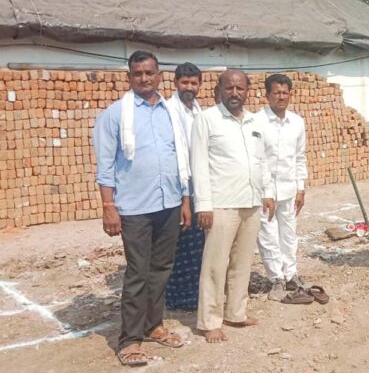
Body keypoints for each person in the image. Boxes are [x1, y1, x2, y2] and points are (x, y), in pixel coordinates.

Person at [94, 50, 192, 366]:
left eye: (149, 73)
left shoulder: (172, 113)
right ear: (129, 77)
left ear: (159, 76)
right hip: (134, 207)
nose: (144, 78)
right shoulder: (115, 115)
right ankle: (130, 340)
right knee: (138, 272)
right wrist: (108, 206)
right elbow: (105, 166)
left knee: (161, 269)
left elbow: (181, 158)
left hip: (169, 203)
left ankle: (154, 326)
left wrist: (185, 200)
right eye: (137, 73)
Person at [191, 70, 276, 343]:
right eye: (229, 88)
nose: (235, 93)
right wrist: (203, 205)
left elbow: (263, 161)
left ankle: (236, 313)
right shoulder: (207, 119)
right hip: (221, 204)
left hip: (251, 203)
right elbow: (198, 165)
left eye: (240, 88)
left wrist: (268, 193)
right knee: (215, 265)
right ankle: (209, 321)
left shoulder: (255, 121)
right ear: (220, 89)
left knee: (242, 263)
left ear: (248, 90)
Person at [253, 74, 309, 301]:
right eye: (276, 93)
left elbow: (299, 157)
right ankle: (276, 277)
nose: (281, 97)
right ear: (267, 95)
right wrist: (267, 192)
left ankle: (291, 274)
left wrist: (300, 188)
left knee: (289, 234)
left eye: (285, 93)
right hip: (264, 191)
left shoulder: (297, 122)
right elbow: (257, 159)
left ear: (290, 95)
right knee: (268, 235)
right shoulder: (256, 121)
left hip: (288, 188)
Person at [165, 62, 206, 310]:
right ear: (176, 83)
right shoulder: (169, 111)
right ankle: (176, 298)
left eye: (193, 83)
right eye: (184, 83)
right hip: (178, 187)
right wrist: (184, 197)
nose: (189, 87)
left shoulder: (198, 112)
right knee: (179, 244)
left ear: (199, 85)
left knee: (196, 244)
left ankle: (193, 294)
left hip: (197, 186)